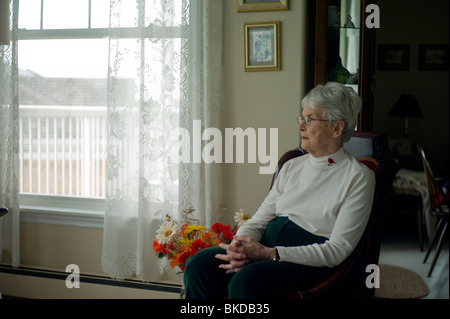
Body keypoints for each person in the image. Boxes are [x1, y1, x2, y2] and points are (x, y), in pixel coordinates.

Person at [183, 82, 376, 299]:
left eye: (309, 119)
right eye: (301, 118)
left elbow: (338, 250)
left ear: (337, 128)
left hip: (306, 260)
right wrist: (239, 246)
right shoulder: (292, 166)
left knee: (246, 281)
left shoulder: (359, 177)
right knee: (198, 266)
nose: (300, 126)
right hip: (266, 245)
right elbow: (260, 219)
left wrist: (270, 254)